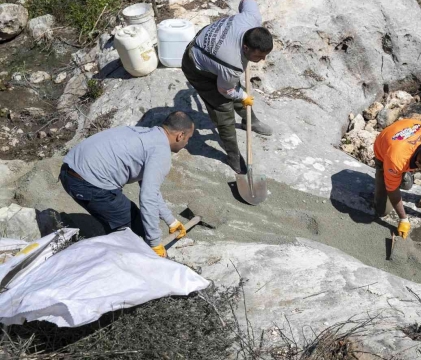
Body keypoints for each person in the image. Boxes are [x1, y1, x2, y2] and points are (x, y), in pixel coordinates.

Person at [59, 111, 195, 257]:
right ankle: (121, 262)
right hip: (88, 183)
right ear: (180, 135)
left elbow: (150, 189)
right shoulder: (161, 152)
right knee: (130, 231)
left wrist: (171, 221)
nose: (187, 143)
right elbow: (147, 198)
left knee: (130, 219)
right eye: (188, 138)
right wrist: (154, 243)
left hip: (69, 170)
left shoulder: (146, 134)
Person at [181, 0, 273, 174]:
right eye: (259, 56)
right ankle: (233, 155)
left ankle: (250, 121)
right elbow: (226, 90)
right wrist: (243, 96)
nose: (263, 60)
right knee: (223, 110)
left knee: (238, 91)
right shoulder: (232, 65)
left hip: (214, 55)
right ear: (245, 48)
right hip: (197, 66)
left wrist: (241, 95)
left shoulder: (251, 17)